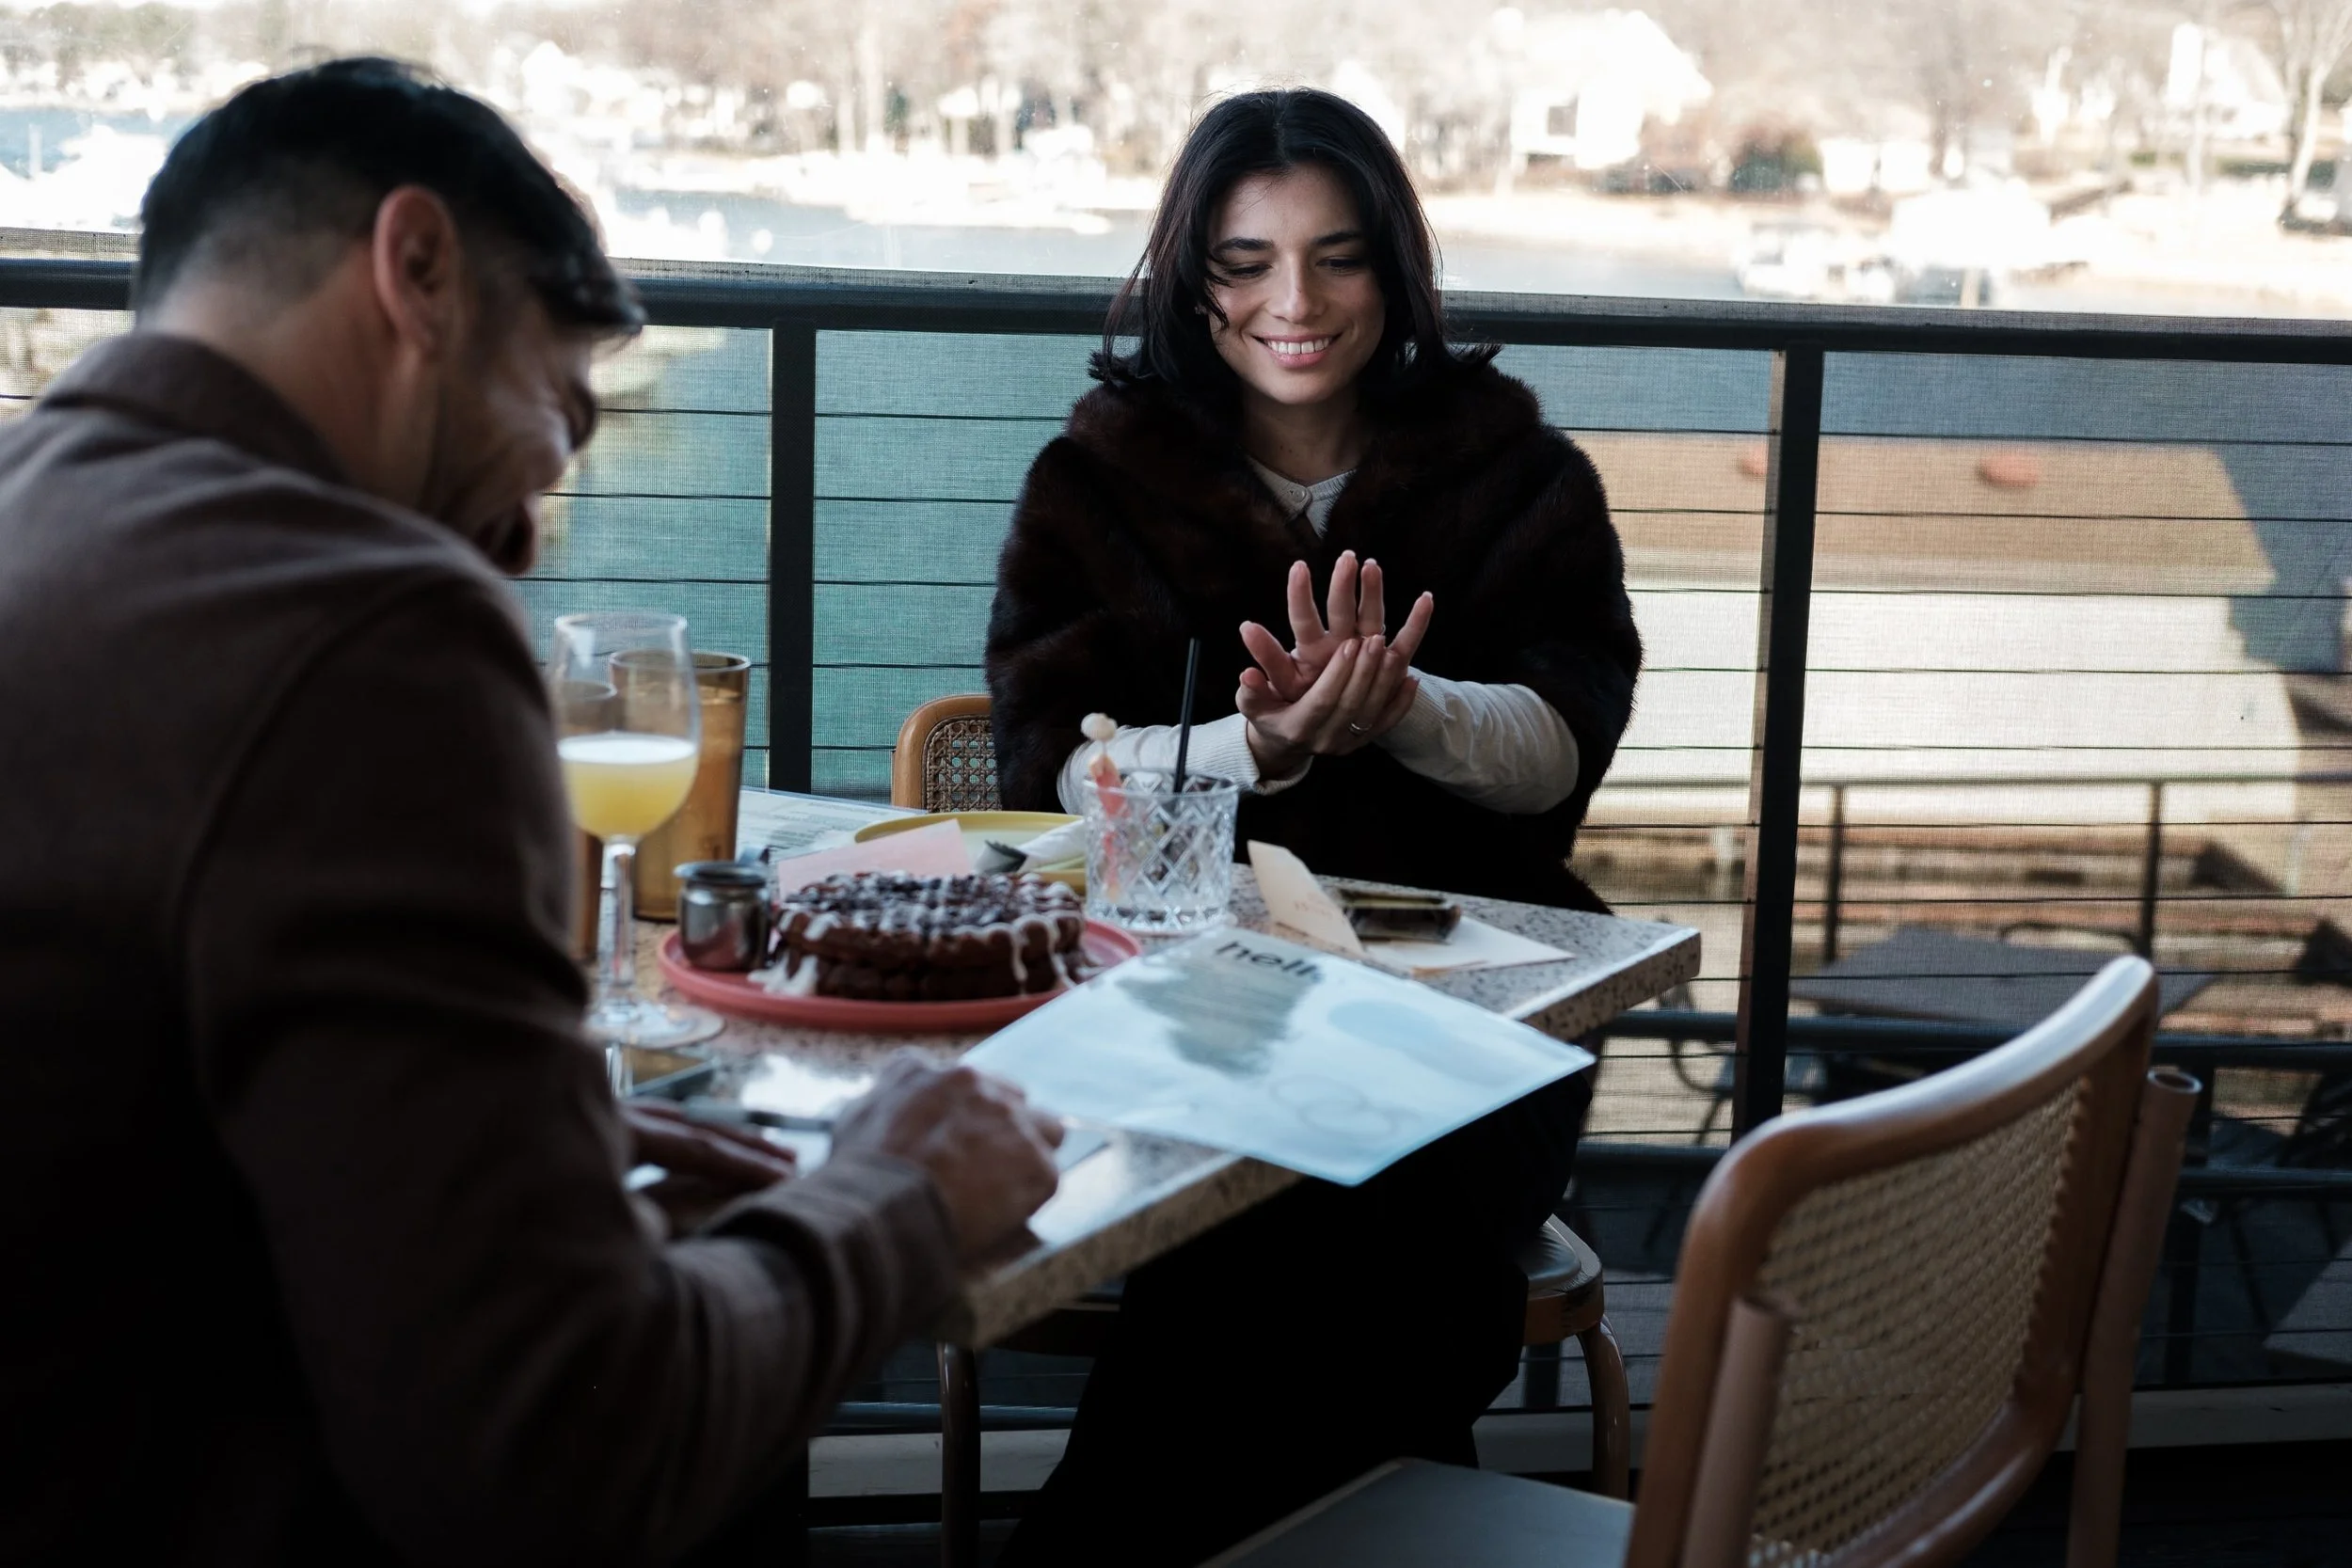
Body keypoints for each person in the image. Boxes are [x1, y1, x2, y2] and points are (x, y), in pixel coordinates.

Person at [0, 59, 1062, 1566]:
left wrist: (545, 1138)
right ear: (416, 269)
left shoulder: (42, 517)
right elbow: (559, 1452)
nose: (526, 531)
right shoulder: (363, 627)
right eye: (557, 422)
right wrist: (902, 1193)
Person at [984, 89, 1640, 1564]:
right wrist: (1255, 746)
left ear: (1395, 273)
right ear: (1191, 277)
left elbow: (1562, 748)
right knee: (1289, 1241)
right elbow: (1052, 772)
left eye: (1339, 258)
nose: (1296, 302)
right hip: (1180, 1015)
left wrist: (1403, 708)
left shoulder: (1519, 473)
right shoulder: (1095, 483)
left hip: (1474, 1014)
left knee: (1294, 1233)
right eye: (1247, 259)